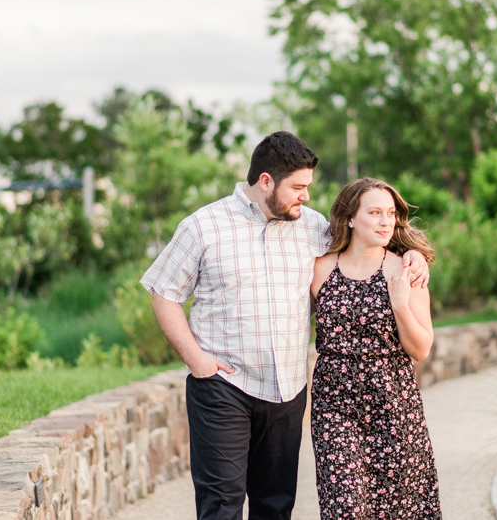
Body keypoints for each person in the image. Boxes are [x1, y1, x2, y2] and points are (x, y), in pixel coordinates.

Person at [139, 132, 429, 520]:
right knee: (221, 504)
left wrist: (412, 254)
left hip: (286, 391)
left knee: (275, 506)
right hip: (224, 386)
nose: (306, 196)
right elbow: (164, 292)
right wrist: (197, 361)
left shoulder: (313, 227)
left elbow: (366, 241)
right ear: (265, 182)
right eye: (298, 187)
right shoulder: (203, 227)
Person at [310, 177, 441, 519]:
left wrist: (399, 305)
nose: (386, 221)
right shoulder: (319, 269)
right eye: (375, 212)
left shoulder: (406, 270)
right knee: (344, 508)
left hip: (394, 405)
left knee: (398, 508)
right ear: (350, 218)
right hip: (334, 405)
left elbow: (422, 348)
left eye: (391, 213)